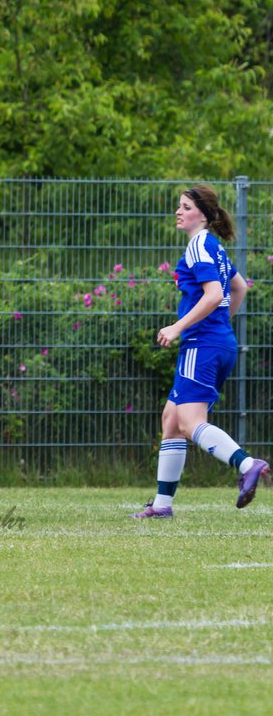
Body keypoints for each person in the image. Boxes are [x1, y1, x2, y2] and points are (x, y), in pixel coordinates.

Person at [133, 185, 270, 518]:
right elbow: (238, 287)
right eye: (178, 206)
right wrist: (220, 324)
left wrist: (179, 327)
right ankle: (162, 505)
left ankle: (248, 464)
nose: (178, 211)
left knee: (190, 423)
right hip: (217, 341)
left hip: (203, 344)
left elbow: (211, 296)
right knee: (171, 418)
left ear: (203, 214)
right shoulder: (214, 246)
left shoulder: (198, 245)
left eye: (184, 206)